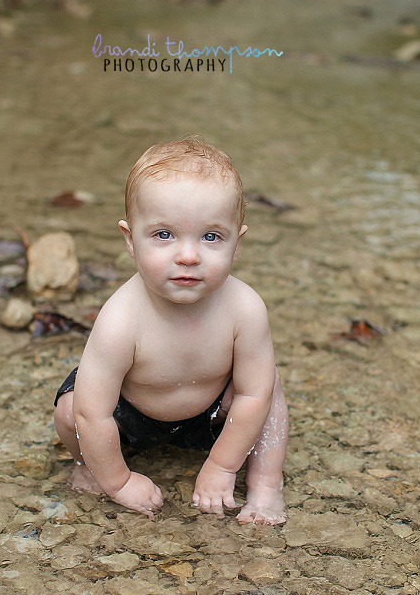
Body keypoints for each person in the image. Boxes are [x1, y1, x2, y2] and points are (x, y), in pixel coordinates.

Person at [53, 135, 288, 525]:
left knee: (270, 387)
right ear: (130, 240)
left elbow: (251, 394)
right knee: (70, 409)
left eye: (211, 237)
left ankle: (265, 484)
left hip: (210, 413)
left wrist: (222, 466)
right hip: (127, 414)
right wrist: (119, 482)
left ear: (237, 243)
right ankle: (93, 466)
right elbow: (93, 414)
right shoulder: (121, 320)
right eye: (164, 235)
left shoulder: (245, 309)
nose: (188, 256)